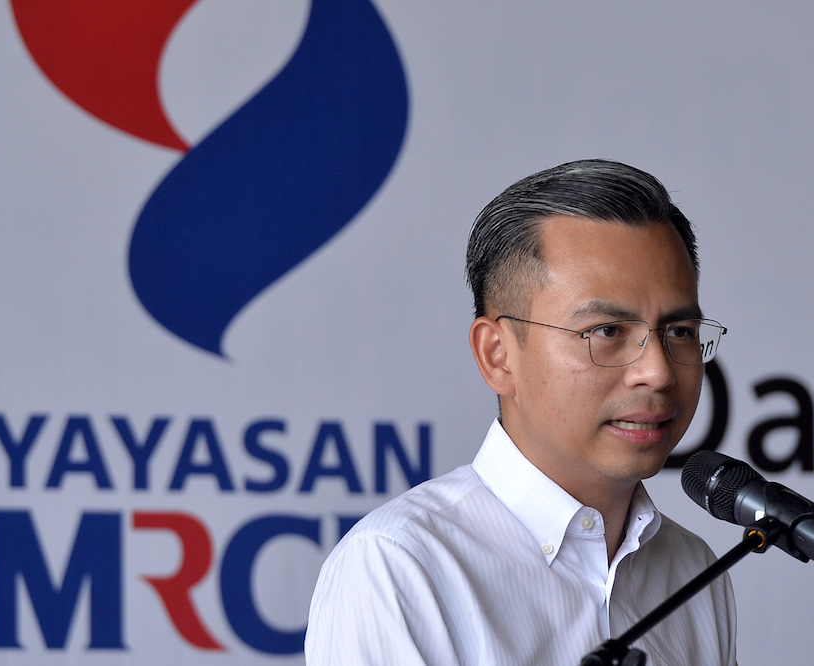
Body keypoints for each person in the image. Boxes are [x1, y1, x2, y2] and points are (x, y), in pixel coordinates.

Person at [305, 159, 736, 665]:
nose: (658, 372)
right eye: (605, 331)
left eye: (680, 331)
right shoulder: (400, 565)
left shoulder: (693, 569)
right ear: (498, 356)